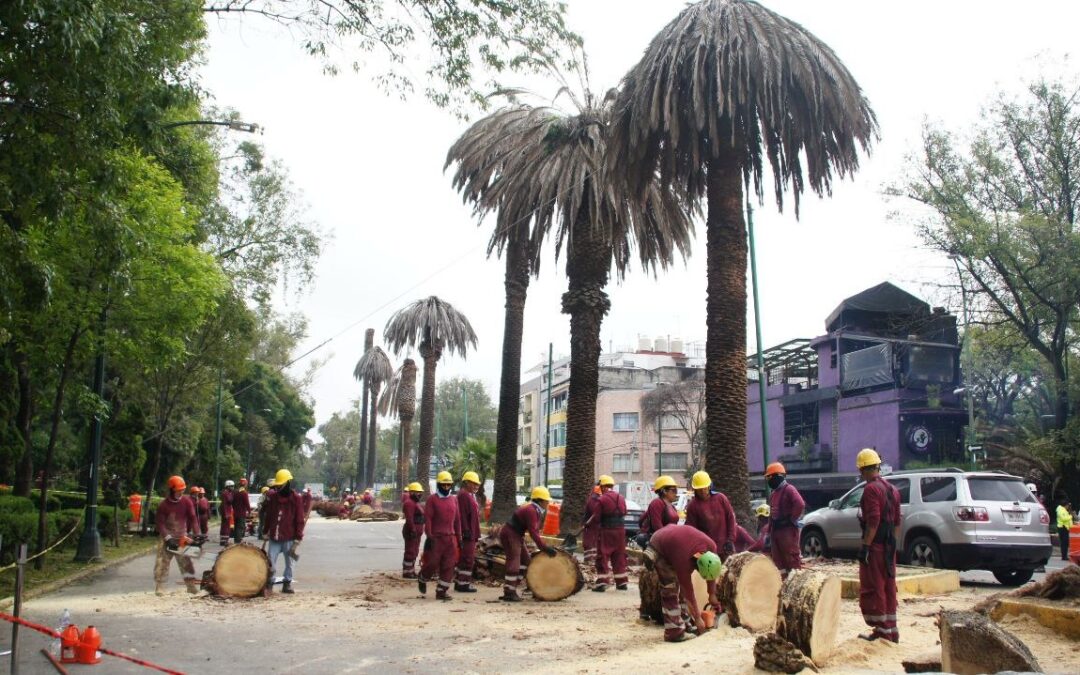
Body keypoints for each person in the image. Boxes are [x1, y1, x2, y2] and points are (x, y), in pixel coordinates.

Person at [643, 524, 723, 643]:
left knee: (680, 592)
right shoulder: (684, 560)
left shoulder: (712, 548)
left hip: (675, 539)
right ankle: (674, 632)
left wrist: (712, 594)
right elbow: (688, 592)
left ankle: (685, 624)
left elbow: (711, 571)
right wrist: (697, 618)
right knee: (670, 589)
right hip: (659, 545)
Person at [855, 449, 901, 643]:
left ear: (864, 469)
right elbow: (897, 521)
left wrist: (866, 546)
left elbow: (873, 521)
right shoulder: (892, 489)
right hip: (889, 546)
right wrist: (893, 545)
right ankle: (892, 630)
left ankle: (882, 632)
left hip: (876, 547)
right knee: (889, 586)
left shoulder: (871, 489)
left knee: (875, 587)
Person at [500, 486, 557, 602]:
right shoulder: (531, 511)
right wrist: (544, 548)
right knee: (514, 562)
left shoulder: (534, 509)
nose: (548, 503)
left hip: (516, 535)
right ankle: (509, 592)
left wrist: (543, 546)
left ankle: (513, 587)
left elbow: (535, 531)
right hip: (511, 534)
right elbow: (533, 533)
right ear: (540, 501)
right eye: (546, 501)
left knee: (526, 561)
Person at [154, 475, 200, 596]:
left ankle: (191, 586)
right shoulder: (164, 505)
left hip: (181, 537)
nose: (181, 492)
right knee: (162, 563)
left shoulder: (186, 502)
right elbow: (160, 523)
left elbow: (193, 518)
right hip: (167, 537)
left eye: (183, 490)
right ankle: (160, 587)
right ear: (172, 489)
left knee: (186, 563)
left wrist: (197, 534)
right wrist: (167, 538)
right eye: (179, 490)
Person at [261, 469, 305, 594]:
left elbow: (299, 519)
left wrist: (298, 536)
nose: (278, 487)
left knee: (290, 563)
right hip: (274, 537)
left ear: (287, 483)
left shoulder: (296, 498)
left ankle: (287, 584)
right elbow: (269, 516)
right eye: (277, 485)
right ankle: (269, 584)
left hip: (289, 537)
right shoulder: (273, 498)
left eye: (280, 484)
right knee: (270, 562)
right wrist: (265, 531)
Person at [419, 471, 460, 601]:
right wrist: (429, 535)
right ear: (439, 485)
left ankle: (441, 591)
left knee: (449, 565)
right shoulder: (432, 499)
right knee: (432, 563)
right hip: (436, 538)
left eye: (448, 485)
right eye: (443, 485)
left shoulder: (454, 499)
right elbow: (428, 519)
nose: (446, 487)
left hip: (450, 538)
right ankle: (423, 577)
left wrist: (459, 538)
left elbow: (457, 520)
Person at [684, 471, 736, 560]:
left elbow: (731, 518)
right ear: (695, 489)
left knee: (729, 568)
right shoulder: (693, 506)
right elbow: (691, 530)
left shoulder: (721, 498)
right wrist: (696, 552)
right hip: (706, 551)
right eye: (699, 489)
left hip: (725, 547)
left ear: (709, 486)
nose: (702, 491)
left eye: (704, 488)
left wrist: (730, 540)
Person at [766, 462, 805, 573]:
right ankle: (783, 580)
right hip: (776, 531)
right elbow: (771, 514)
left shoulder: (789, 489)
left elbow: (800, 504)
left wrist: (791, 519)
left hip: (788, 531)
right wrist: (769, 532)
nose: (769, 480)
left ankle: (795, 579)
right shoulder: (773, 494)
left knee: (791, 559)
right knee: (779, 561)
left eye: (770, 477)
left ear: (778, 476)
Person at [595, 475, 629, 592]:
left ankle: (602, 582)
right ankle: (622, 582)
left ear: (603, 487)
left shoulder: (602, 499)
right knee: (619, 555)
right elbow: (624, 512)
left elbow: (597, 517)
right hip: (620, 531)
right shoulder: (621, 497)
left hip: (607, 530)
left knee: (603, 555)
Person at [455, 471, 482, 593]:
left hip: (471, 531)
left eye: (477, 484)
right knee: (468, 558)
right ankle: (463, 584)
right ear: (466, 483)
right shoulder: (464, 495)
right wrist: (465, 530)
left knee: (466, 558)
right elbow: (461, 515)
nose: (476, 486)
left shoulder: (469, 495)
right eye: (474, 483)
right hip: (468, 533)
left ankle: (460, 582)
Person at [638, 475, 680, 547]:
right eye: (673, 490)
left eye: (676, 490)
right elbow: (657, 527)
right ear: (664, 491)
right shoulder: (657, 503)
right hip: (657, 541)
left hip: (667, 540)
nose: (676, 493)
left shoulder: (672, 506)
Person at [401, 482, 425, 579]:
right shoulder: (409, 503)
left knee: (415, 551)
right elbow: (409, 519)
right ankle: (407, 572)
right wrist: (413, 530)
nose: (419, 494)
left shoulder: (415, 503)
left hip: (417, 532)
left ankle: (411, 570)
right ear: (411, 492)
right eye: (417, 492)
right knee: (410, 551)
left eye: (420, 492)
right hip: (411, 532)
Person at [582, 484, 602, 574]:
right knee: (590, 544)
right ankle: (589, 562)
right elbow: (595, 513)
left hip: (593, 526)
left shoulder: (593, 499)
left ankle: (590, 562)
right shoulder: (593, 501)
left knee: (592, 544)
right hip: (591, 527)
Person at [232, 478, 251, 543]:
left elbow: (233, 502)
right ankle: (238, 541)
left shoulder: (235, 492)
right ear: (245, 484)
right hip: (241, 513)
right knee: (240, 527)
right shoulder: (244, 493)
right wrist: (249, 511)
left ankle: (236, 540)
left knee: (236, 527)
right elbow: (247, 503)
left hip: (235, 513)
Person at [1057, 496, 1073, 562]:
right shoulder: (1060, 510)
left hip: (1065, 527)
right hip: (1062, 527)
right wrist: (1070, 516)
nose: (1068, 507)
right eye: (1067, 506)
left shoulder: (1063, 510)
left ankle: (1064, 556)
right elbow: (1064, 518)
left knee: (1065, 543)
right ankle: (1064, 556)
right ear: (1065, 505)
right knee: (1064, 543)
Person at [219, 480, 235, 546]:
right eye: (231, 486)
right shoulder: (226, 493)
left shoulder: (227, 493)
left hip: (227, 512)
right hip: (226, 512)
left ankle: (223, 541)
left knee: (225, 527)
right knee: (225, 527)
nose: (232, 487)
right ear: (227, 486)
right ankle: (224, 541)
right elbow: (226, 503)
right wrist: (226, 514)